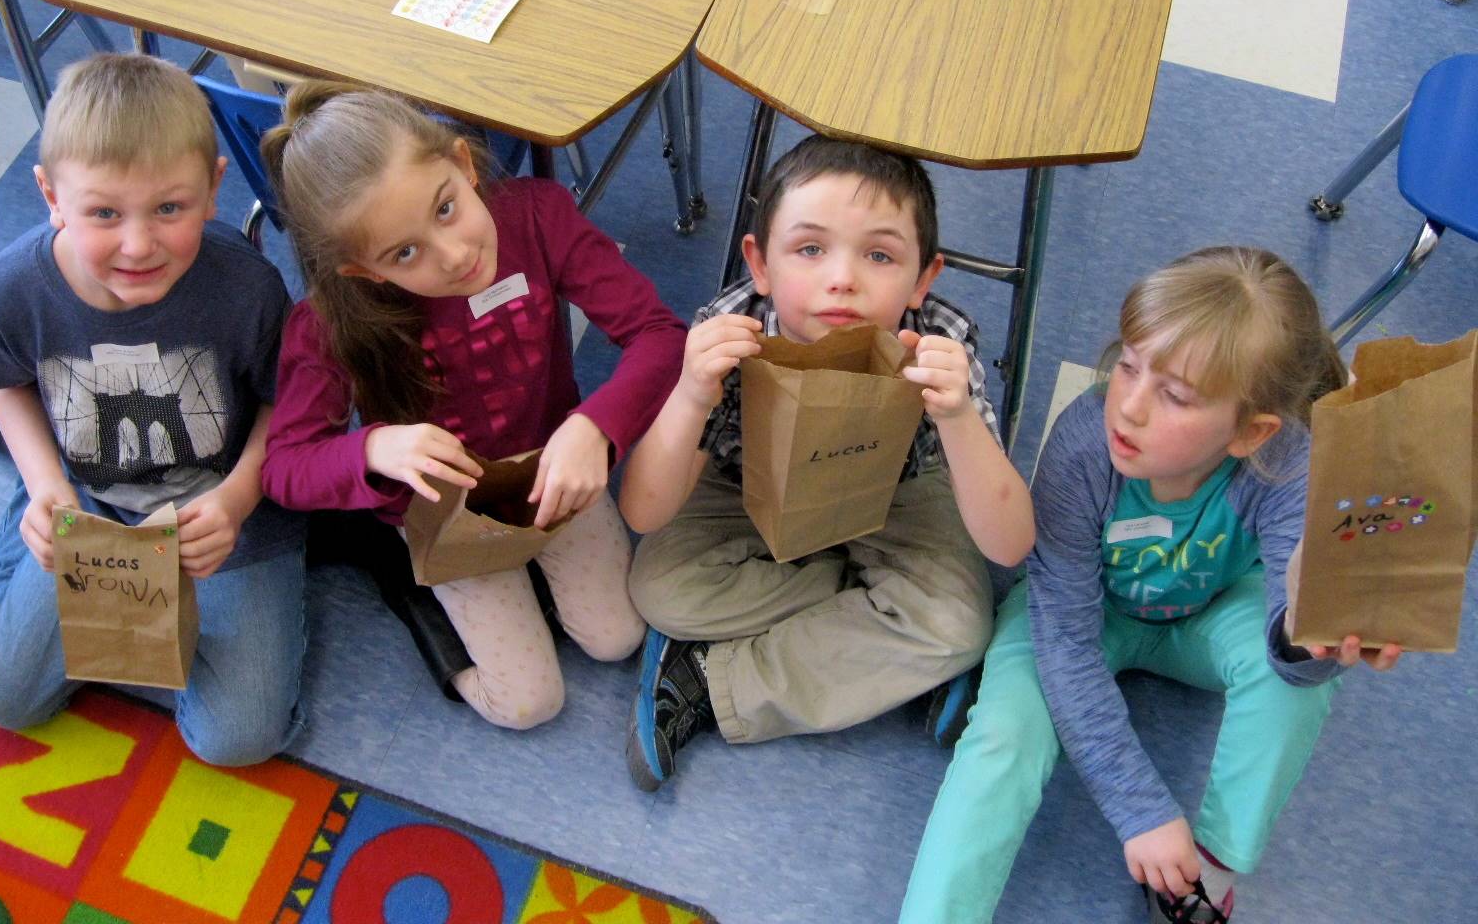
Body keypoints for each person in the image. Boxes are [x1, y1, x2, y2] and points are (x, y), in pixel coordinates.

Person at [898, 247, 1404, 924]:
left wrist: (1307, 641)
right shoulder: (1084, 447)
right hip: (1081, 615)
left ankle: (1208, 866)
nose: (1128, 409)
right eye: (1129, 367)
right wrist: (1141, 810)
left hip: (1209, 614)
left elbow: (1292, 634)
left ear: (1251, 433)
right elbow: (1069, 646)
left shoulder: (1289, 462)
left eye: (1173, 395)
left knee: (1291, 678)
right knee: (1004, 736)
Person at [259, 83, 683, 730]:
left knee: (616, 638)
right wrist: (372, 448)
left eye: (448, 208)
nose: (453, 256)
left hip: (548, 468)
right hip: (442, 513)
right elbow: (285, 469)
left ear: (463, 163)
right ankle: (417, 595)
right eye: (405, 253)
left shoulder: (537, 216)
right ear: (363, 272)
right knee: (527, 704)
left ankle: (511, 586)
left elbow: (659, 336)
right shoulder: (327, 324)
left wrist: (596, 428)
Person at [619, 135, 1032, 790]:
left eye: (879, 255)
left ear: (924, 278)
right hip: (746, 485)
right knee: (658, 589)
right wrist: (693, 393)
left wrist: (955, 417)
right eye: (809, 249)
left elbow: (1010, 545)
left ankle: (707, 678)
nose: (842, 278)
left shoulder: (937, 339)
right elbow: (643, 510)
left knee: (957, 626)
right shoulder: (733, 328)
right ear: (760, 264)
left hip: (897, 494)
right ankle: (872, 622)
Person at [0, 53, 308, 766]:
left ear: (213, 190)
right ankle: (32, 498)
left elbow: (290, 408)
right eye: (104, 213)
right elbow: (5, 380)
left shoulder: (247, 287)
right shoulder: (8, 291)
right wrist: (49, 486)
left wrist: (238, 498)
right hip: (88, 501)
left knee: (236, 741)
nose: (139, 245)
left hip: (225, 515)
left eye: (168, 208)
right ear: (51, 195)